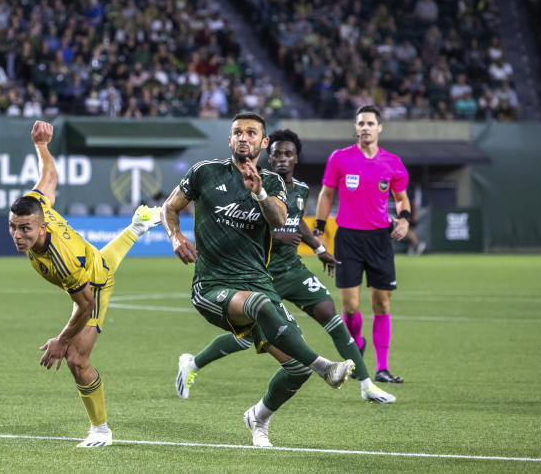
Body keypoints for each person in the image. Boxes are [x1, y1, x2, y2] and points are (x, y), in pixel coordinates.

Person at [161, 112, 355, 447]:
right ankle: (324, 365)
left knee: (296, 369)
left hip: (257, 281)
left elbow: (280, 219)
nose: (243, 137)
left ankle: (258, 418)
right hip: (212, 285)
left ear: (263, 142)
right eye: (237, 132)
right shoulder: (204, 172)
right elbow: (169, 207)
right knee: (262, 306)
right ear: (230, 139)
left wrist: (260, 192)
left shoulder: (274, 182)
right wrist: (175, 237)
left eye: (251, 133)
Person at [175, 129, 396, 404]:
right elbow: (252, 225)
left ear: (296, 158)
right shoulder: (256, 186)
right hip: (262, 272)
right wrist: (278, 235)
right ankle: (193, 364)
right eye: (277, 153)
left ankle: (366, 385)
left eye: (287, 154)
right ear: (268, 155)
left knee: (331, 315)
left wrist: (318, 249)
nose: (281, 158)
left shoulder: (300, 190)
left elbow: (297, 222)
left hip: (293, 268)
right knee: (250, 337)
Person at [7, 120, 162, 448]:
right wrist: (42, 146)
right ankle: (137, 227)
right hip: (90, 260)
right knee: (102, 261)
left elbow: (86, 303)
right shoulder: (38, 207)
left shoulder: (59, 261)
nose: (18, 236)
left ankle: (101, 431)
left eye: (24, 229)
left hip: (94, 284)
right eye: (13, 228)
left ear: (41, 227)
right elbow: (49, 178)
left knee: (77, 360)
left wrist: (62, 340)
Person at [314, 105, 411, 384]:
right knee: (351, 307)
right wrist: (319, 229)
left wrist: (404, 220)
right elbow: (326, 193)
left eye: (370, 123)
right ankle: (356, 345)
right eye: (361, 123)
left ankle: (382, 368)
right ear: (356, 128)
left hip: (380, 239)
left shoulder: (392, 162)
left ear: (380, 127)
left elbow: (402, 198)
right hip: (348, 238)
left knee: (381, 304)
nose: (365, 127)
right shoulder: (340, 158)